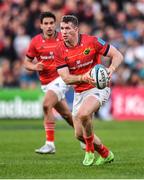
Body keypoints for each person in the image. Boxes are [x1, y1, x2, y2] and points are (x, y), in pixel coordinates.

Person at [55, 15, 123, 166]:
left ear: (76, 29)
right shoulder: (59, 50)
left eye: (68, 28)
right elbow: (66, 78)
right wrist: (84, 77)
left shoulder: (92, 41)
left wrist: (111, 69)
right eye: (62, 29)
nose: (64, 32)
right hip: (80, 92)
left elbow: (118, 55)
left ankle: (89, 150)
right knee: (79, 134)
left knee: (83, 114)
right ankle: (106, 154)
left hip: (98, 87)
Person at [24, 12, 74, 154]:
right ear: (41, 26)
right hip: (46, 83)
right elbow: (26, 62)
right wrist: (34, 67)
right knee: (67, 115)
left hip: (62, 78)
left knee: (46, 105)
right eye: (46, 24)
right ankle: (86, 138)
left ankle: (50, 144)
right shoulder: (35, 42)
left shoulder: (63, 38)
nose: (49, 26)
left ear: (55, 24)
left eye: (51, 23)